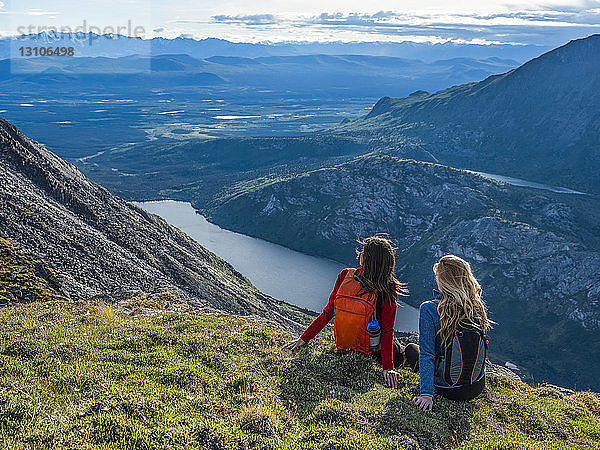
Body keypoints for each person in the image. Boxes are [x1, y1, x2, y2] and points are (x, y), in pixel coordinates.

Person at [283, 235, 409, 388]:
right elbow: (387, 330)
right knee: (410, 351)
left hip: (347, 348)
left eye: (363, 252)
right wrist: (387, 367)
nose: (359, 254)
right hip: (376, 352)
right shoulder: (388, 288)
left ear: (367, 259)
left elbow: (328, 312)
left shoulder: (346, 276)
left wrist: (304, 339)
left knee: (409, 351)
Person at [408, 255, 492, 411]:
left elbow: (427, 354)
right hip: (476, 386)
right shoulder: (476, 306)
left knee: (411, 350)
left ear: (442, 282)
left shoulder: (430, 309)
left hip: (449, 387)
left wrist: (426, 394)